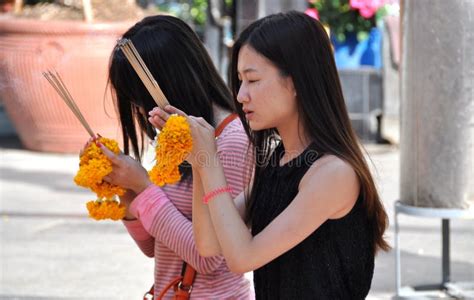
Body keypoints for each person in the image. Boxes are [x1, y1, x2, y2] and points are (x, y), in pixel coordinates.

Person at [150, 11, 390, 299]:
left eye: (252, 80)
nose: (240, 95)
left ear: (296, 82)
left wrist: (210, 161)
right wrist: (199, 160)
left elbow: (243, 258)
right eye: (239, 81)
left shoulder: (333, 173)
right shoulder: (279, 160)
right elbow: (209, 243)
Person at [96, 15, 253, 299]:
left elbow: (208, 258)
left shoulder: (232, 142)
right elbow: (155, 248)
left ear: (171, 82)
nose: (141, 112)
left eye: (141, 100)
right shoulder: (177, 134)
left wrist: (144, 186)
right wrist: (127, 192)